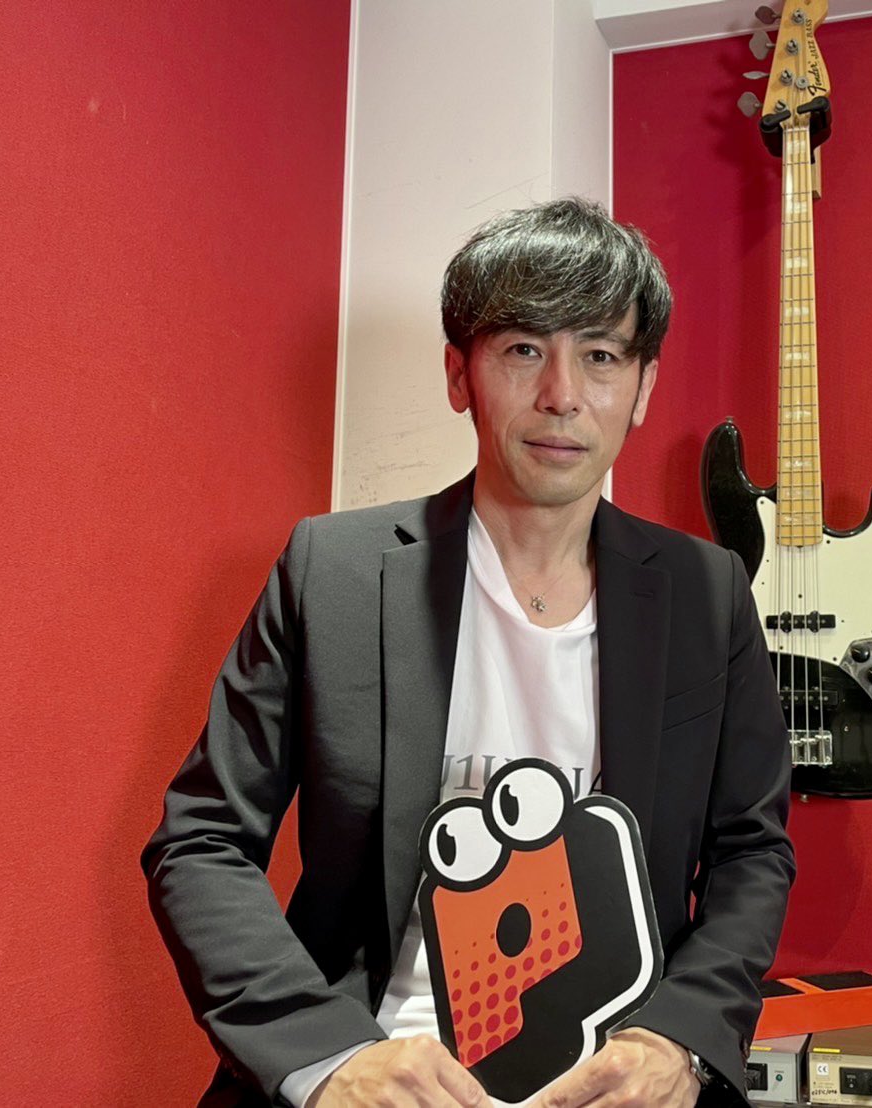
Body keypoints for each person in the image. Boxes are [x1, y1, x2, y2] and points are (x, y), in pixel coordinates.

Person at [142, 197, 795, 1108]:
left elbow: (751, 851)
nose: (562, 394)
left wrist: (679, 1041)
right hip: (376, 1070)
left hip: (620, 1079)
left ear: (644, 387)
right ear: (460, 375)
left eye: (601, 356)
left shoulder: (706, 592)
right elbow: (201, 838)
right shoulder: (333, 573)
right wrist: (329, 1059)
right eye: (523, 350)